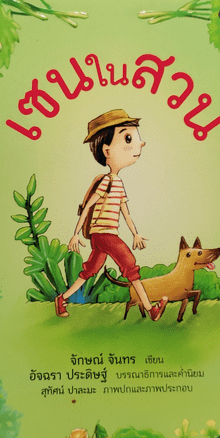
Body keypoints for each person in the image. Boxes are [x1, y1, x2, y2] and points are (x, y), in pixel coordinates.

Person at [54, 109, 164, 321]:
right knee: (129, 264)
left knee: (90, 270)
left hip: (105, 235)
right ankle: (151, 309)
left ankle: (62, 299)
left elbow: (125, 212)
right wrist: (75, 234)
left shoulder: (118, 183)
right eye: (128, 139)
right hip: (103, 234)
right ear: (106, 150)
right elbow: (88, 206)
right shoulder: (106, 181)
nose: (140, 144)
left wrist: (135, 234)